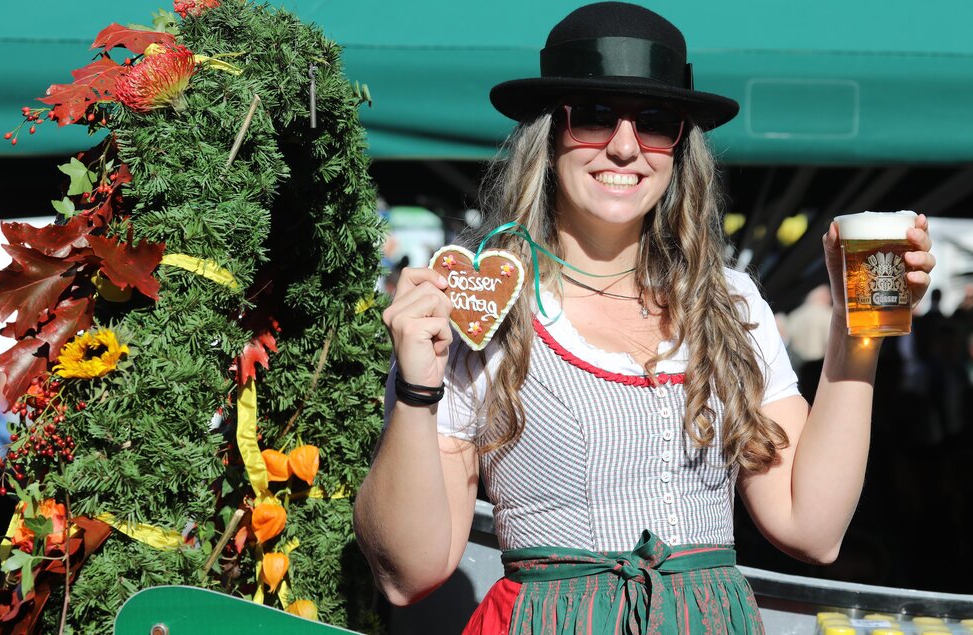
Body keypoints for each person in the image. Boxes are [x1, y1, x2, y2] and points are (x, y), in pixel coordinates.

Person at [353, 3, 935, 633]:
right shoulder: (486, 310)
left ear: (680, 149)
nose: (626, 147)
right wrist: (416, 389)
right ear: (549, 139)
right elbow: (408, 573)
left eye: (656, 123)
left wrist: (859, 332)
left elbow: (812, 528)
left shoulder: (728, 306)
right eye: (595, 117)